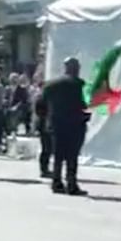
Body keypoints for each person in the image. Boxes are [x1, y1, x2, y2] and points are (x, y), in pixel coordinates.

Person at [42, 57, 90, 195]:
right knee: (72, 156)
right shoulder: (80, 85)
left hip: (56, 125)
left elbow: (40, 104)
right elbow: (85, 105)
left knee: (58, 155)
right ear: (75, 68)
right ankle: (71, 184)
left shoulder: (50, 85)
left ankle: (56, 183)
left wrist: (47, 119)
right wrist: (85, 117)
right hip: (75, 125)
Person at [33, 77, 51, 178]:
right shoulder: (41, 97)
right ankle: (43, 169)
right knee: (46, 148)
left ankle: (45, 168)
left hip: (44, 124)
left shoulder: (43, 96)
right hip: (43, 125)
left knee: (47, 148)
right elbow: (39, 111)